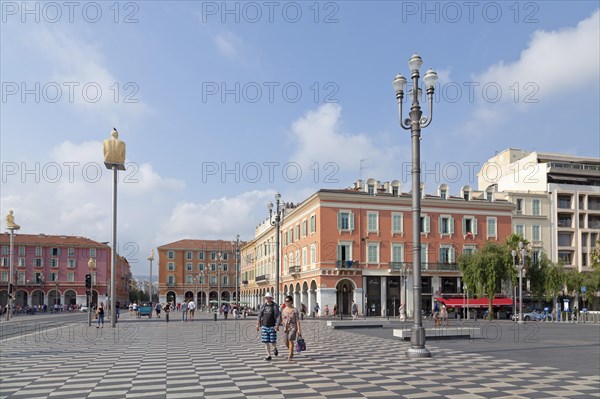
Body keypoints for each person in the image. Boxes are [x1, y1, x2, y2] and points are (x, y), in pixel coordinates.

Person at [256, 292, 281, 361]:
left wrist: (277, 325)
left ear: (271, 298)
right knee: (266, 341)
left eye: (269, 297)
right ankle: (268, 355)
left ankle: (274, 348)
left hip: (272, 326)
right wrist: (257, 324)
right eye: (266, 298)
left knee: (273, 341)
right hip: (264, 325)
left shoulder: (275, 306)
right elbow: (259, 315)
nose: (268, 299)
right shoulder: (263, 306)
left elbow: (278, 316)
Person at [281, 295, 301, 362]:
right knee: (285, 341)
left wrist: (299, 329)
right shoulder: (283, 310)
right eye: (285, 301)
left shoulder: (295, 310)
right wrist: (277, 325)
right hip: (285, 327)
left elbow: (297, 320)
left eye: (287, 301)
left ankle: (290, 355)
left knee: (290, 340)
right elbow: (282, 319)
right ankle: (291, 351)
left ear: (291, 301)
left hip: (293, 326)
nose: (286, 302)